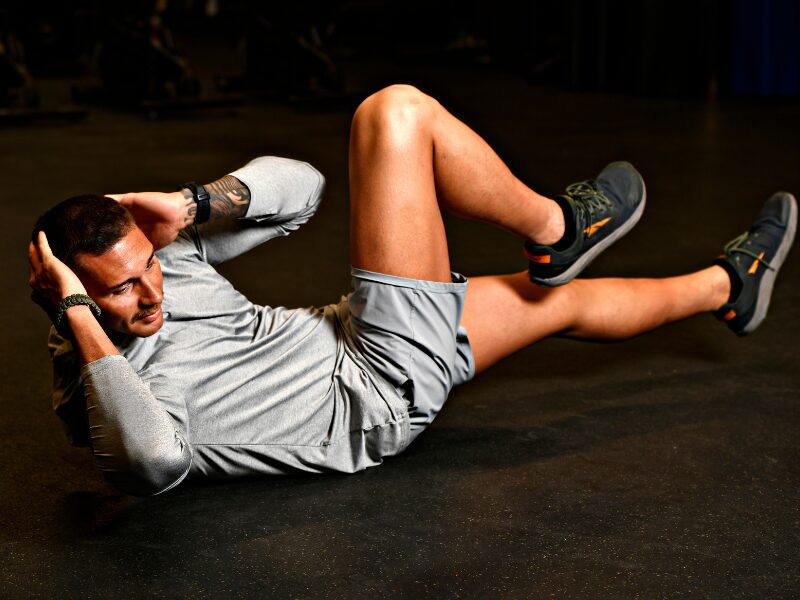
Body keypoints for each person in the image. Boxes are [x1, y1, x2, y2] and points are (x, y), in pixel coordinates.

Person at [28, 85, 797, 496]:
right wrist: (79, 315)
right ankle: (558, 226)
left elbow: (304, 192)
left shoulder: (165, 264)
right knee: (394, 114)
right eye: (121, 290)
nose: (152, 293)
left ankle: (728, 286)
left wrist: (194, 205)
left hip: (352, 332)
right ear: (70, 297)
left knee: (557, 301)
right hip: (377, 387)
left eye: (150, 267)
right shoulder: (103, 391)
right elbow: (155, 463)